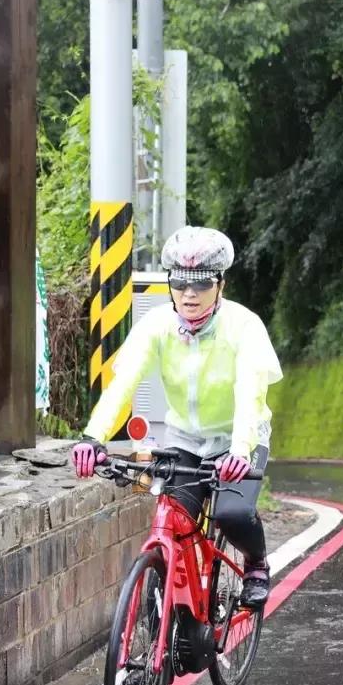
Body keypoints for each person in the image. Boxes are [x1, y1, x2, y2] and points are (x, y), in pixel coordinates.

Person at [71, 226, 283, 608]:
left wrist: (239, 450)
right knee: (172, 519)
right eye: (181, 283)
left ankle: (255, 563)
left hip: (237, 440)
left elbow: (250, 391)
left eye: (201, 285)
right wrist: (93, 437)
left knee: (232, 514)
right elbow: (124, 383)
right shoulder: (157, 325)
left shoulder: (243, 325)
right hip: (184, 439)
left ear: (221, 284)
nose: (189, 294)